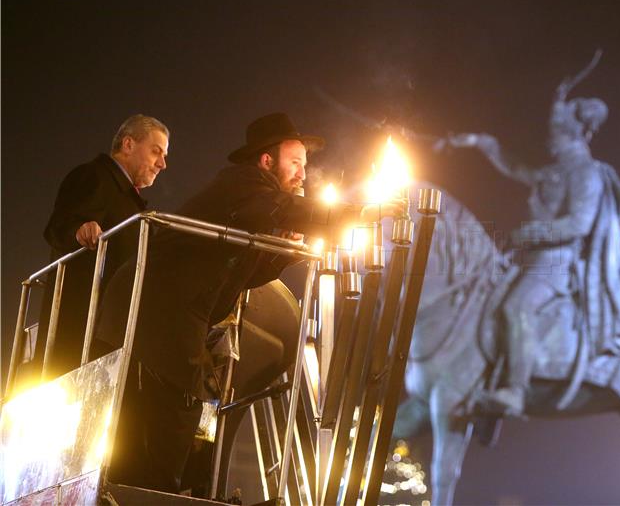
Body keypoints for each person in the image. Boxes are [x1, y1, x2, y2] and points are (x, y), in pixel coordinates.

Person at [95, 112, 403, 493]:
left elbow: (248, 273)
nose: (303, 174)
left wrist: (288, 250)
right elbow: (287, 210)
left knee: (167, 414)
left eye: (305, 166)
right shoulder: (243, 184)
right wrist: (362, 212)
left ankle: (147, 490)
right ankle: (156, 494)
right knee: (177, 409)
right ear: (266, 161)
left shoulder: (250, 203)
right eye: (295, 163)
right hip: (158, 308)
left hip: (155, 310)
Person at [439, 76, 620, 417]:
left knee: (516, 308)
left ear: (572, 134)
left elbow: (579, 224)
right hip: (531, 260)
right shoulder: (555, 170)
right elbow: (515, 168)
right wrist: (478, 141)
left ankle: (515, 389)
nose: (549, 139)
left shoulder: (586, 172)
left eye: (555, 133)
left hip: (558, 264)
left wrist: (532, 232)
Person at [29, 114, 169, 383]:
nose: (162, 164)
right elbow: (58, 226)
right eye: (156, 151)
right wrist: (79, 230)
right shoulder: (93, 176)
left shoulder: (131, 201)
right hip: (81, 331)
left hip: (109, 332)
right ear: (128, 145)